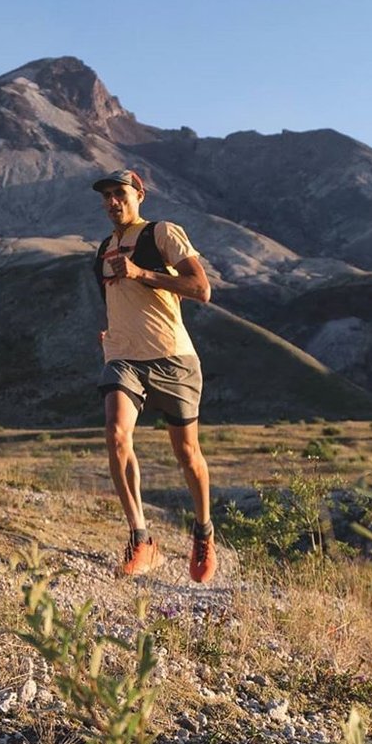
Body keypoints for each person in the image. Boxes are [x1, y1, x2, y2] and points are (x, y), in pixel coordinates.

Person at [91, 169, 216, 583]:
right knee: (116, 435)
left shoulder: (162, 233)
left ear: (139, 194)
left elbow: (200, 289)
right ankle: (141, 539)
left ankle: (202, 531)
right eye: (106, 196)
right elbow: (118, 299)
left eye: (119, 193)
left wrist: (143, 273)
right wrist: (110, 333)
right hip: (124, 359)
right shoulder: (104, 249)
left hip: (173, 358)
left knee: (187, 455)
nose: (112, 201)